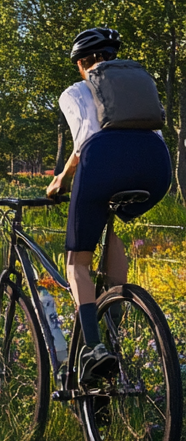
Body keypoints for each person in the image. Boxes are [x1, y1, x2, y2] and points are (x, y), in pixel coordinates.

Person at [46, 27, 171, 384]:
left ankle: (95, 350)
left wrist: (62, 179)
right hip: (155, 166)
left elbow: (86, 139)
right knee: (112, 217)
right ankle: (114, 317)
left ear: (82, 64)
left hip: (102, 162)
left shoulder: (75, 91)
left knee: (77, 264)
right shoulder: (138, 86)